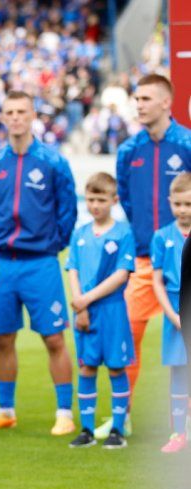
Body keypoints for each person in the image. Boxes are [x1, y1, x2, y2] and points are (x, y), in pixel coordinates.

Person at [0, 91, 77, 436]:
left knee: (54, 339)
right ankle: (6, 410)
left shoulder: (53, 162)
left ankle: (64, 412)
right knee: (3, 339)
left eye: (22, 111)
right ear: (3, 117)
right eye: (10, 111)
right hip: (4, 264)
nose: (16, 117)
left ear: (33, 115)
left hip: (41, 263)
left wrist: (51, 245)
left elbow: (68, 212)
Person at [115, 74, 191, 439]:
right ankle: (121, 413)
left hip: (187, 259)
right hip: (145, 261)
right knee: (127, 335)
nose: (139, 104)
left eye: (146, 98)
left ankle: (184, 423)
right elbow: (127, 201)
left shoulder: (188, 144)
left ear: (166, 102)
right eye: (136, 98)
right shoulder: (129, 150)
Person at [66, 173, 134, 450]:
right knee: (86, 366)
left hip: (111, 310)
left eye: (101, 199)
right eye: (91, 199)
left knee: (116, 367)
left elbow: (121, 275)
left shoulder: (123, 234)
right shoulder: (80, 234)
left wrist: (86, 300)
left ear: (114, 200)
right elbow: (73, 269)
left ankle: (118, 429)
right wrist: (78, 301)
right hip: (83, 310)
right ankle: (87, 429)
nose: (95, 205)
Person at [151, 173, 191, 453]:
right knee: (178, 373)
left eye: (188, 204)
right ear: (169, 202)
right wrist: (174, 315)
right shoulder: (162, 236)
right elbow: (157, 280)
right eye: (178, 204)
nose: (183, 210)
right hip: (174, 315)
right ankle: (178, 434)